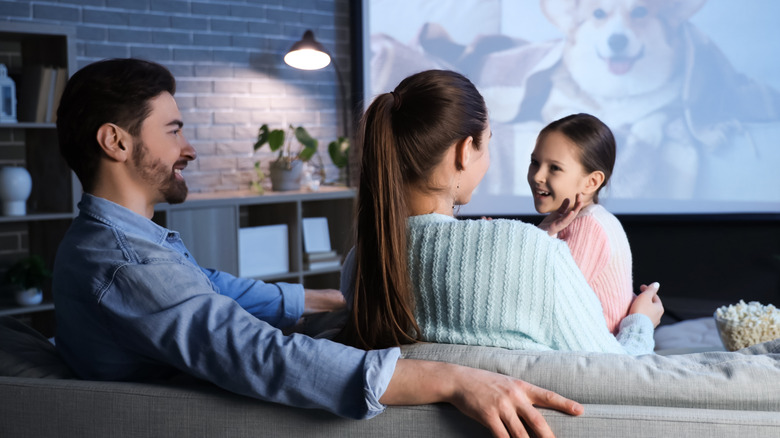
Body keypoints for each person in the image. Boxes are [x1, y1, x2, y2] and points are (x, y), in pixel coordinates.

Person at [52, 58, 582, 438]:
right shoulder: (123, 265)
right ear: (116, 142)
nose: (188, 148)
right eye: (172, 131)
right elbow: (253, 353)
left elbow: (209, 289)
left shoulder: (128, 243)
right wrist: (449, 377)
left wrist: (319, 299)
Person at [338, 69, 663, 355]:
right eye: (488, 142)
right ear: (465, 151)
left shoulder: (359, 264)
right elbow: (614, 371)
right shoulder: (532, 251)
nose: (537, 174)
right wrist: (640, 323)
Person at [528, 113, 639, 334]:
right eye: (535, 162)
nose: (537, 176)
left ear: (592, 182)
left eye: (554, 168)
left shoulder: (588, 224)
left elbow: (547, 302)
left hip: (597, 356)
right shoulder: (566, 221)